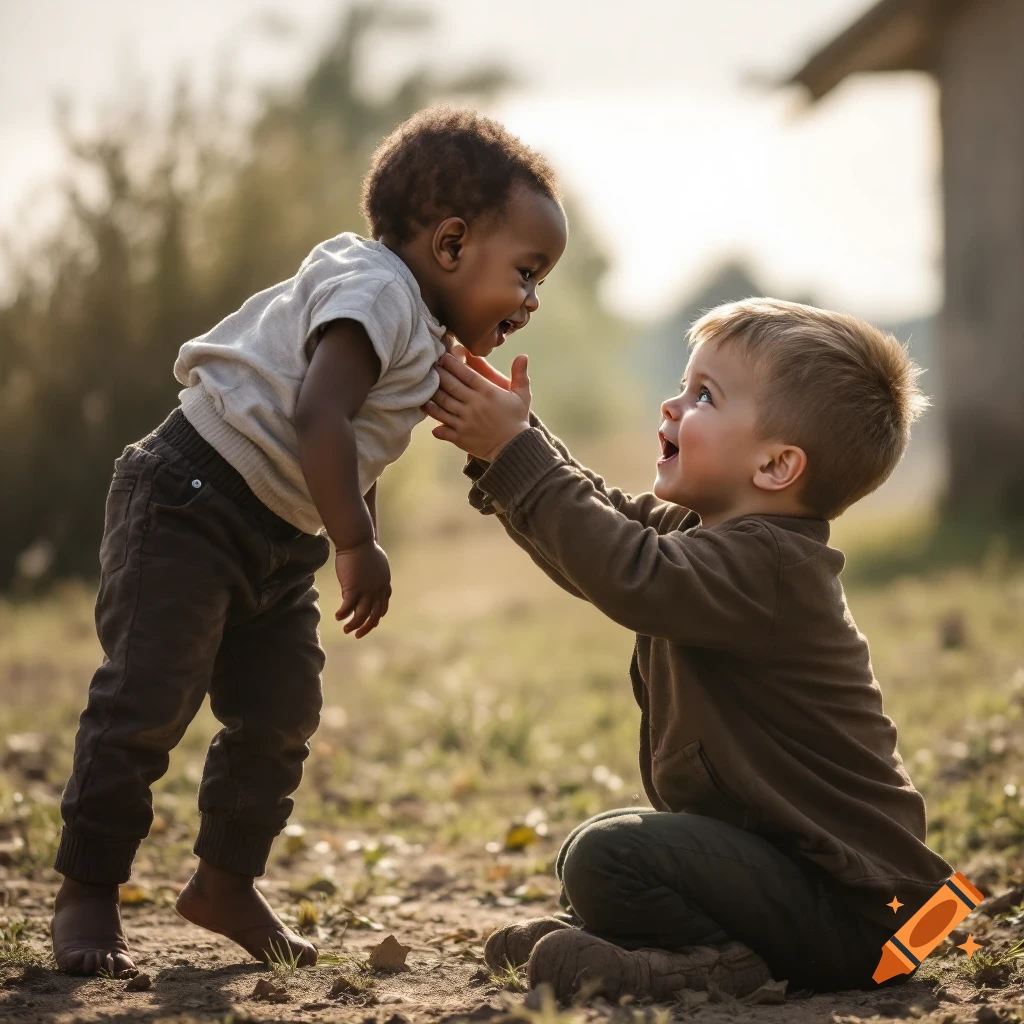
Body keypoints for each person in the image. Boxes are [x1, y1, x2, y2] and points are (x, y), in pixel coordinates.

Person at [50, 106, 568, 977]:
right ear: (449, 245)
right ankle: (87, 891)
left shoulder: (418, 323)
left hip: (275, 536)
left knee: (282, 710)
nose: (531, 299)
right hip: (191, 500)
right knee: (148, 699)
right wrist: (357, 543)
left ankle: (223, 883)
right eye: (525, 272)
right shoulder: (375, 291)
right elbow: (317, 413)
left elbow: (355, 436)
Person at [424, 298, 953, 1000]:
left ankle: (714, 962)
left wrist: (514, 450)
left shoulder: (770, 569)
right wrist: (511, 440)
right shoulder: (709, 534)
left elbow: (625, 572)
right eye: (684, 383)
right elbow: (597, 528)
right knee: (611, 841)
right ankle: (640, 932)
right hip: (807, 882)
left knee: (609, 854)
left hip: (872, 917)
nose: (673, 405)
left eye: (704, 395)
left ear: (775, 465)